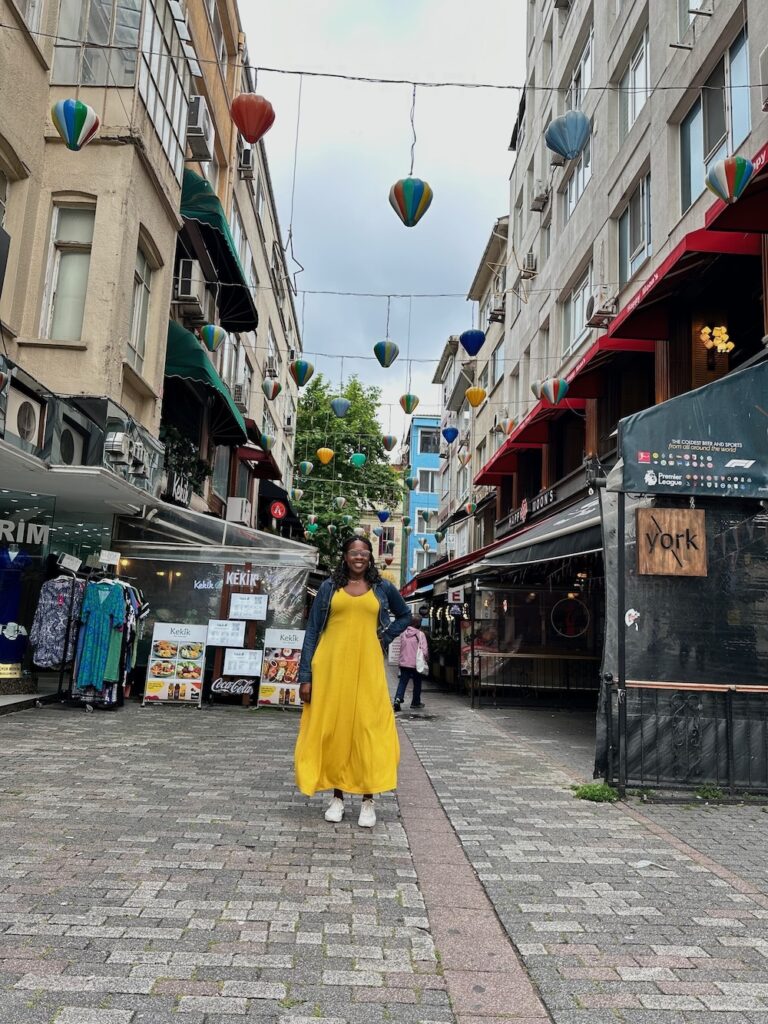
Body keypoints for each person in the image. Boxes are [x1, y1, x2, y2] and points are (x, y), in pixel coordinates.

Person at [295, 536, 411, 828]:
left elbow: (405, 615)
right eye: (353, 552)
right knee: (335, 730)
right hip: (330, 668)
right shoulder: (328, 587)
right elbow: (311, 632)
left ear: (370, 557)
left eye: (364, 552)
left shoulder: (382, 587)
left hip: (368, 667)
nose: (359, 557)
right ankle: (337, 797)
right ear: (345, 556)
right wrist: (305, 676)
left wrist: (383, 636)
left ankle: (368, 800)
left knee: (368, 729)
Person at [394, 615, 429, 712]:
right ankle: (415, 702)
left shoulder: (404, 633)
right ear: (418, 624)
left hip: (404, 662)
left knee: (402, 682)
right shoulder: (420, 634)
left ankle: (397, 699)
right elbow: (424, 650)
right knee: (417, 683)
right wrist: (426, 659)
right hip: (416, 664)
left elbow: (401, 648)